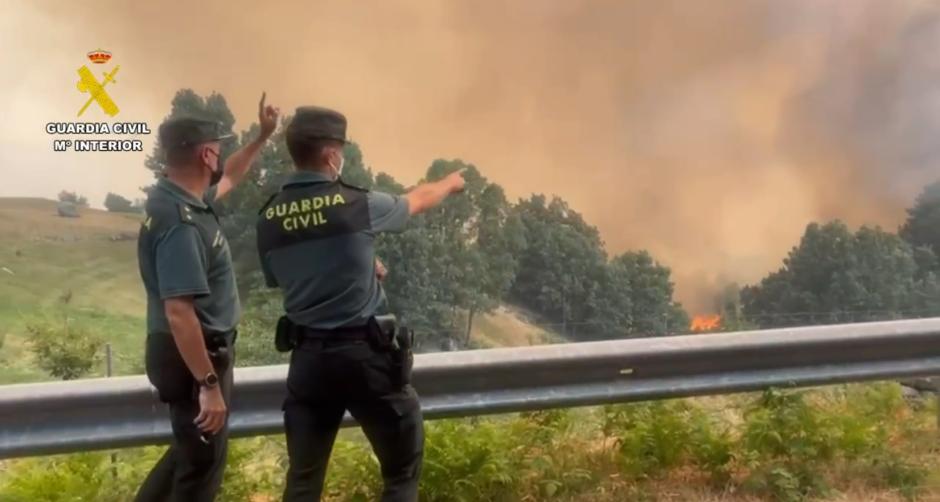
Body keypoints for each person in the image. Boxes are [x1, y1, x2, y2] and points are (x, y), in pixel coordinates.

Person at [256, 106, 466, 501]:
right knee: (401, 475)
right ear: (331, 155)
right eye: (341, 150)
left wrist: (361, 264)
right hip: (365, 358)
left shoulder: (268, 218)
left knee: (303, 481)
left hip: (309, 362)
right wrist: (449, 182)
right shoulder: (356, 204)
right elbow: (417, 200)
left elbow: (287, 277)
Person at [135, 93, 279, 502]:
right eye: (217, 149)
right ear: (205, 154)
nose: (220, 157)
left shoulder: (180, 199)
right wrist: (209, 384)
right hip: (194, 358)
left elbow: (230, 177)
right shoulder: (182, 225)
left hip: (189, 355)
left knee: (190, 455)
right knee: (201, 468)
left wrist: (262, 138)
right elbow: (180, 313)